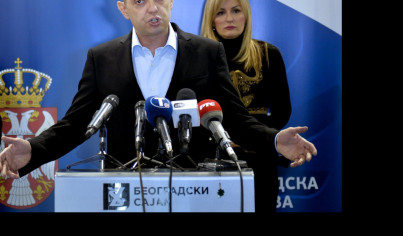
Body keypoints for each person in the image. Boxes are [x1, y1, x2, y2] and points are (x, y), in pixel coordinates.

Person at [0, 0, 316, 213]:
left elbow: (236, 119)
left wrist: (275, 139)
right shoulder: (102, 58)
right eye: (139, 0)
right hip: (125, 194)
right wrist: (33, 151)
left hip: (196, 194)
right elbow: (76, 124)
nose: (153, 7)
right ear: (123, 8)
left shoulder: (208, 52)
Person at [201, 0, 291, 213]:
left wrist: (254, 139)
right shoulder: (199, 56)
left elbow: (282, 111)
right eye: (220, 13)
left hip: (259, 158)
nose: (229, 18)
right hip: (211, 158)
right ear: (211, 20)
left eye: (236, 11)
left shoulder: (269, 54)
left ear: (246, 16)